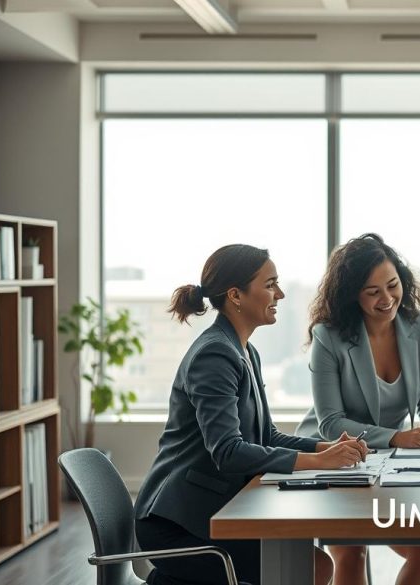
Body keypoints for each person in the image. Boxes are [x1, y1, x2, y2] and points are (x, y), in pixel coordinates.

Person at [134, 244, 368, 585]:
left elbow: (267, 436)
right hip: (178, 525)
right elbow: (228, 451)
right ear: (236, 295)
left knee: (313, 565)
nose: (280, 294)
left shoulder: (244, 350)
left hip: (209, 510)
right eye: (270, 284)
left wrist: (326, 448)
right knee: (310, 567)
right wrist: (321, 463)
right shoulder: (214, 354)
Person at [296, 233, 420, 585]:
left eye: (392, 285)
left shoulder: (419, 325)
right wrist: (397, 437)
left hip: (391, 464)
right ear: (352, 295)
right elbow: (330, 423)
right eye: (372, 291)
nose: (387, 299)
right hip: (336, 456)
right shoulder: (328, 336)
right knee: (351, 552)